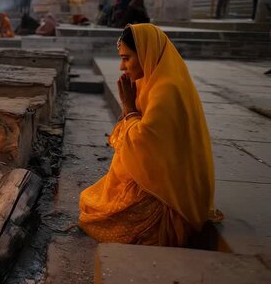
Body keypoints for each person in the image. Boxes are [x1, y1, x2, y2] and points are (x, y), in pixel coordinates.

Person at [79, 24, 217, 246]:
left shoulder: (167, 90)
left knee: (99, 219)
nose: (121, 67)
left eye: (127, 58)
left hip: (171, 196)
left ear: (145, 54)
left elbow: (143, 142)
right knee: (92, 202)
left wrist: (128, 108)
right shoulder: (150, 79)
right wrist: (130, 111)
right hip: (158, 173)